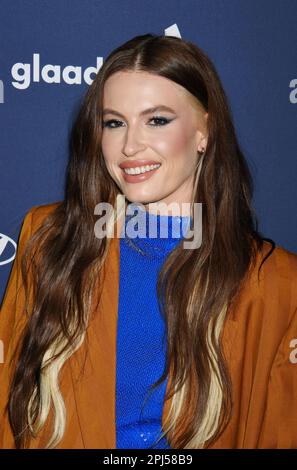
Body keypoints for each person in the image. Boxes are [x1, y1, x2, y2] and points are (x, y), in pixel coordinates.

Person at [0, 33, 296, 450]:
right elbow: (7, 404)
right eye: (114, 122)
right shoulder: (50, 239)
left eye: (157, 120)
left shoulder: (275, 282)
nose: (130, 145)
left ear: (204, 132)